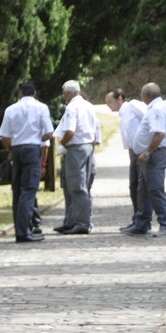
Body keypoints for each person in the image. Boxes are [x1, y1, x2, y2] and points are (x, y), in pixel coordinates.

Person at [0, 82, 54, 243]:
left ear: (20, 93)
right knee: (29, 190)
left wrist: (11, 150)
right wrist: (39, 138)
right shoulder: (41, 107)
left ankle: (20, 229)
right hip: (32, 148)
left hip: (16, 148)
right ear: (34, 93)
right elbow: (49, 132)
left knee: (17, 191)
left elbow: (4, 136)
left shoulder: (10, 109)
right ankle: (23, 231)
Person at [124, 82, 166, 238]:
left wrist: (147, 152)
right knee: (143, 191)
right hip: (150, 155)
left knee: (155, 190)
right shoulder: (156, 108)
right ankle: (142, 223)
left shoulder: (156, 110)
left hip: (153, 155)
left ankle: (165, 225)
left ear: (145, 96)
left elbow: (159, 134)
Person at [52, 80, 98, 234]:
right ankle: (72, 220)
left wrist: (64, 143)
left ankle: (81, 222)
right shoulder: (88, 105)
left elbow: (70, 131)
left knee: (77, 186)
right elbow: (96, 129)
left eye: (64, 93)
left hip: (76, 147)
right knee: (78, 185)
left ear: (69, 93)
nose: (63, 96)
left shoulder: (72, 107)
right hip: (88, 146)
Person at [105, 89, 147, 229]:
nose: (108, 105)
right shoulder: (122, 114)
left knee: (140, 187)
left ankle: (142, 220)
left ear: (120, 99)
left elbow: (148, 119)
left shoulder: (132, 106)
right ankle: (137, 218)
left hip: (140, 150)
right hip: (132, 151)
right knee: (133, 186)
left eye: (110, 101)